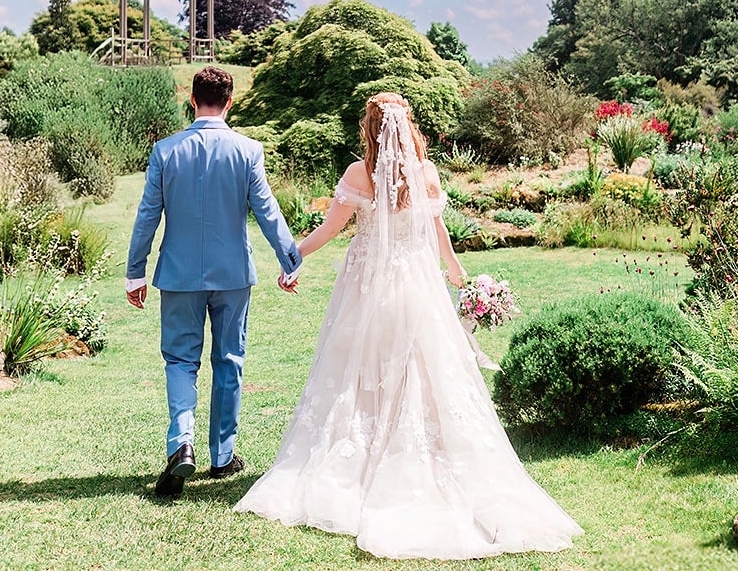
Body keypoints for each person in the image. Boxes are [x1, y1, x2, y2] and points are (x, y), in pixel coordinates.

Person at [234, 92, 582, 560]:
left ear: (370, 127)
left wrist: (291, 257)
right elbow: (439, 234)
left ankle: (362, 461)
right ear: (407, 126)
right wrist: (463, 281)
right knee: (424, 371)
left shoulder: (359, 173)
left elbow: (330, 230)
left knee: (360, 374)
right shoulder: (428, 174)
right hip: (419, 290)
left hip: (368, 293)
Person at [126, 66, 301, 498]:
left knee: (180, 361)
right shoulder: (248, 151)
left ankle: (180, 444)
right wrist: (289, 259)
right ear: (230, 101)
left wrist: (136, 271)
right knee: (229, 360)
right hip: (233, 276)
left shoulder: (165, 151)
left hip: (179, 276)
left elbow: (148, 214)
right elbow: (267, 211)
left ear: (191, 99)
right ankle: (222, 457)